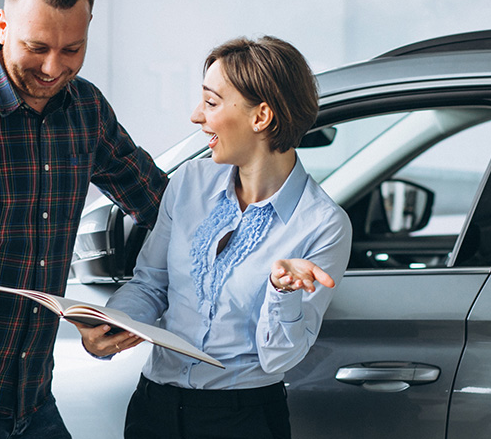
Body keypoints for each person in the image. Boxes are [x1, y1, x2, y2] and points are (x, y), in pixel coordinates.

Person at [0, 0, 168, 439]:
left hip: (35, 398)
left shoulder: (87, 110)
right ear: (1, 24)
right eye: (36, 46)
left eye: (72, 49)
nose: (51, 67)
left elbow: (163, 207)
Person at [75, 36, 352, 439]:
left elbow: (279, 359)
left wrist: (282, 291)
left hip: (243, 420)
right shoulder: (188, 182)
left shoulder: (324, 225)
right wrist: (113, 326)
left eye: (211, 102)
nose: (195, 116)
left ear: (261, 117)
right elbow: (151, 283)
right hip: (154, 410)